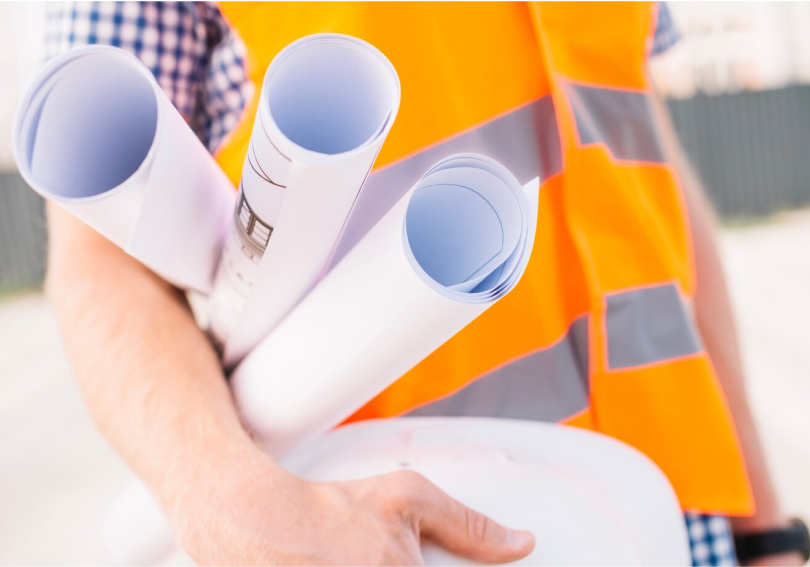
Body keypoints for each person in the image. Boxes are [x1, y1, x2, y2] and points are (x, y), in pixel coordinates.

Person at [43, 2, 804, 566]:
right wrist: (225, 500)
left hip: (676, 510)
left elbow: (641, 160)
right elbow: (100, 255)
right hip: (404, 531)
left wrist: (762, 527)